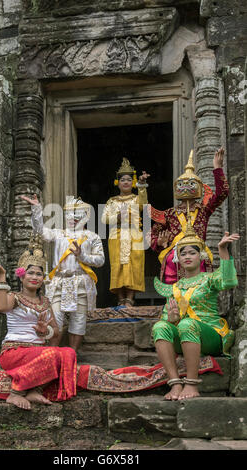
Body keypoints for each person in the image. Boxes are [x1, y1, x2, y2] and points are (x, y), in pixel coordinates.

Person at [152, 212, 239, 401]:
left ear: (201, 257)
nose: (187, 256)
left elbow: (229, 281)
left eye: (192, 252)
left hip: (211, 335)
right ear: (177, 259)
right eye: (183, 253)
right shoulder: (174, 287)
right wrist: (172, 319)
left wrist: (222, 250)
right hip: (185, 337)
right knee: (160, 326)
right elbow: (168, 320)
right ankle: (175, 383)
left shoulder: (209, 279)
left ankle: (191, 384)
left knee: (187, 324)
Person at [0, 234, 77, 410]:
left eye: (39, 274)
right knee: (51, 355)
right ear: (22, 276)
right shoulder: (14, 297)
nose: (35, 277)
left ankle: (35, 389)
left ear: (43, 279)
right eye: (31, 273)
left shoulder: (46, 302)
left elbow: (56, 332)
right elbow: (1, 307)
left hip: (38, 352)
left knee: (68, 354)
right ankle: (16, 393)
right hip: (15, 351)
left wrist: (45, 332)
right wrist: (1, 276)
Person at [21, 194, 105, 352]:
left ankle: (72, 355)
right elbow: (39, 230)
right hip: (59, 281)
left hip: (81, 280)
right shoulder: (58, 233)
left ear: (86, 216)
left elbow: (100, 260)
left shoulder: (92, 237)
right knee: (55, 319)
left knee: (79, 320)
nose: (72, 218)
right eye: (69, 214)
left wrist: (82, 256)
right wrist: (37, 208)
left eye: (77, 215)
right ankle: (52, 353)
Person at [151, 148, 229, 284]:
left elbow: (222, 193)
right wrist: (158, 242)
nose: (185, 187)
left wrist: (218, 168)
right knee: (175, 290)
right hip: (176, 258)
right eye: (181, 184)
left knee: (200, 288)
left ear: (199, 187)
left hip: (197, 254)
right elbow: (153, 234)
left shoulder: (204, 210)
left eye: (190, 184)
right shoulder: (169, 214)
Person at [101, 158, 150, 307]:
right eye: (123, 180)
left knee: (133, 265)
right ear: (118, 183)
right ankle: (120, 298)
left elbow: (143, 204)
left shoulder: (136, 199)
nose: (126, 182)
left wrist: (142, 185)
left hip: (134, 236)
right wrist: (117, 217)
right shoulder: (112, 201)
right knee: (118, 266)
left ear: (133, 182)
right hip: (116, 237)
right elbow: (103, 219)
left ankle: (130, 298)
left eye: (129, 179)